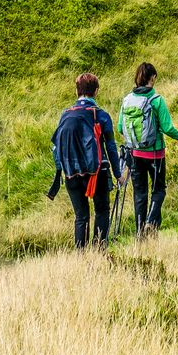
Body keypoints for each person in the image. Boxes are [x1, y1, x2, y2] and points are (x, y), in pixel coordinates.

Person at [117, 61, 178, 236]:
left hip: (134, 154)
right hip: (155, 153)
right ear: (153, 78)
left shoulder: (127, 100)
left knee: (140, 194)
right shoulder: (156, 100)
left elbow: (120, 127)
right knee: (159, 189)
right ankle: (151, 222)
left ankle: (140, 233)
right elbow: (167, 128)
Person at [51, 73, 124, 248]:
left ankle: (81, 257)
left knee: (81, 217)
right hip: (96, 173)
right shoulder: (102, 116)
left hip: (70, 173)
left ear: (77, 91)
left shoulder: (65, 115)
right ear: (96, 91)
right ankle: (99, 252)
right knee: (101, 211)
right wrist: (118, 173)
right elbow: (111, 147)